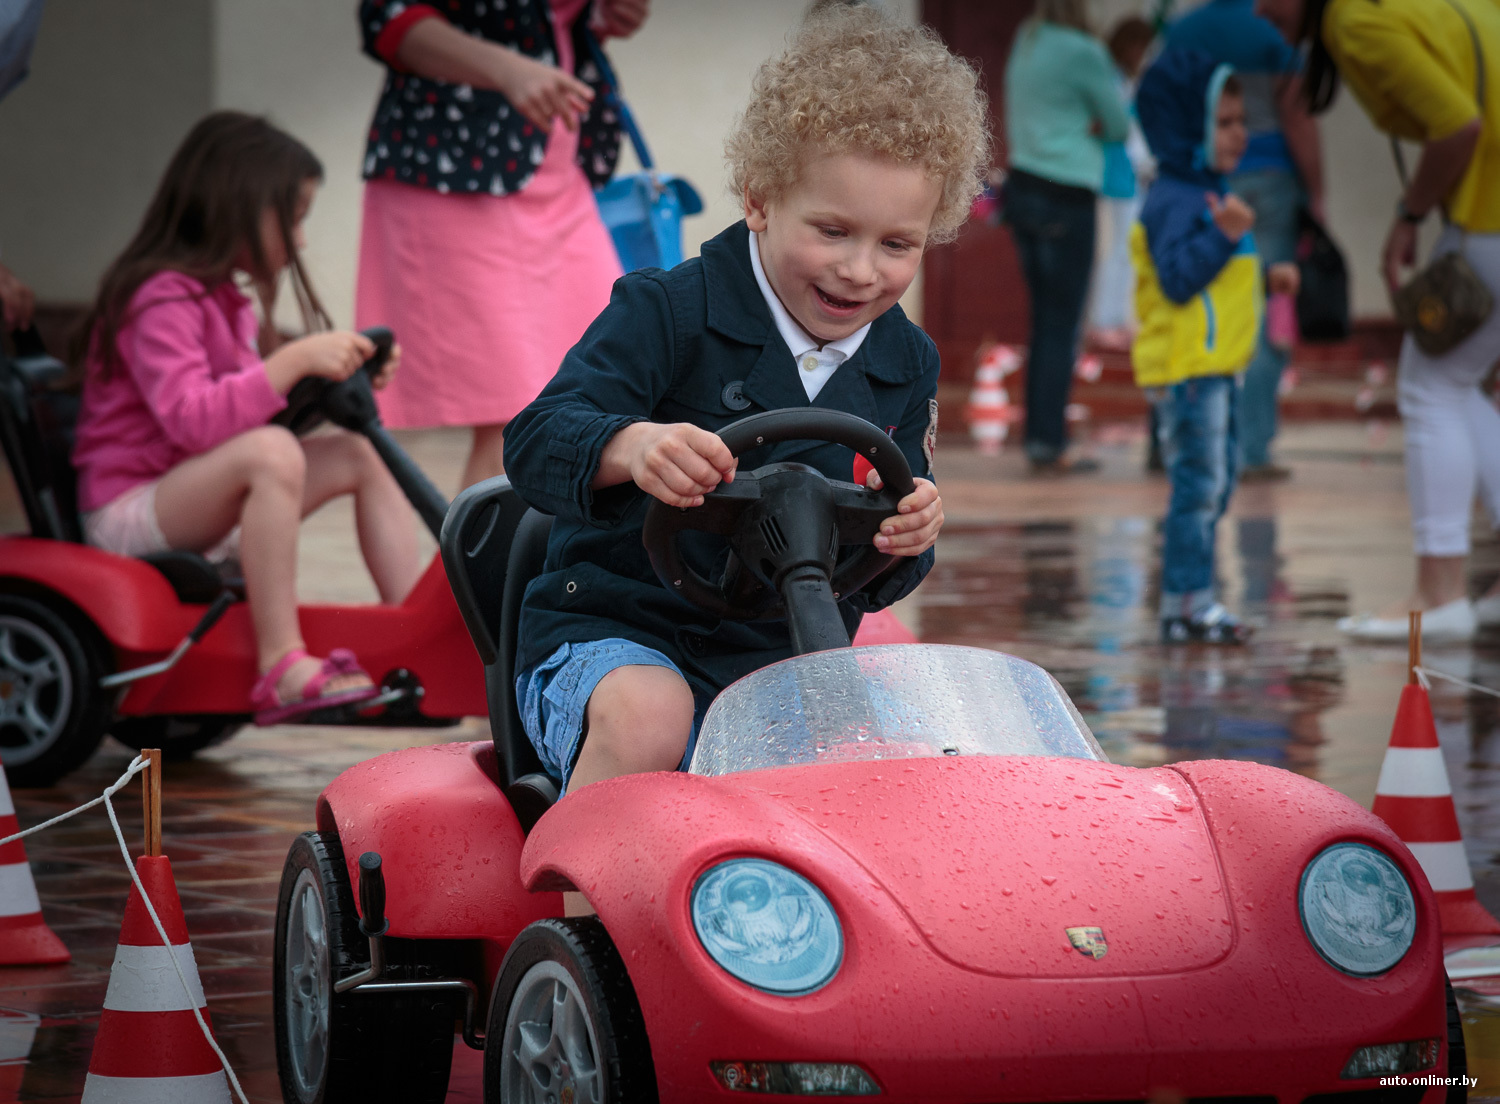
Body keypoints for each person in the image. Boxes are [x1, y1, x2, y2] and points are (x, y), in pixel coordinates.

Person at [503, 3, 987, 835]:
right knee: (653, 715)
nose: (860, 270)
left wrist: (910, 532)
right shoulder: (669, 311)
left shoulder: (905, 363)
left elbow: (881, 555)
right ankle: (584, 941)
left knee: (919, 747)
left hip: (778, 655)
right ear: (760, 200)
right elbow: (537, 437)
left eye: (897, 245)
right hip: (614, 633)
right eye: (832, 230)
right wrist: (633, 444)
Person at [70, 112, 423, 722]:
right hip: (131, 508)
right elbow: (195, 422)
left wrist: (335, 379)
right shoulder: (159, 296)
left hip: (191, 491)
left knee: (358, 453)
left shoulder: (221, 297)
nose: (302, 240)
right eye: (292, 217)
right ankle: (281, 664)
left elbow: (246, 410)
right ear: (234, 203)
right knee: (270, 454)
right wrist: (287, 363)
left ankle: (413, 626)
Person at [1255, 0, 1500, 642]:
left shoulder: (1355, 21)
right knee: (1461, 380)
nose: (1258, 8)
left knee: (1432, 385)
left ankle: (1440, 592)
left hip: (1492, 214)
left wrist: (1411, 215)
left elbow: (1458, 127)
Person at [355, 0, 647, 489]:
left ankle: (557, 561)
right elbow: (390, 16)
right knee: (515, 421)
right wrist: (507, 69)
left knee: (612, 378)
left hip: (560, 172)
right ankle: (475, 567)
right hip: (455, 170)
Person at [1131, 50, 1300, 643]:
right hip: (1189, 370)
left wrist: (1265, 274)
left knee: (1216, 484)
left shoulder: (1209, 192)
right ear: (1186, 127)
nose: (1240, 133)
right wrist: (1226, 234)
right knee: (1199, 490)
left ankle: (1192, 600)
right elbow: (1179, 278)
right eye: (1224, 122)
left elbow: (1219, 277)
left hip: (1216, 368)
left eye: (1240, 120)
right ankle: (1186, 607)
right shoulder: (1174, 199)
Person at [1168, 0, 1326, 482]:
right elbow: (1296, 116)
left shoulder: (1183, 30)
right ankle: (1252, 448)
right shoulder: (1272, 29)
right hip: (1269, 181)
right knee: (1264, 306)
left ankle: (1180, 442)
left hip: (1203, 181)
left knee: (1192, 302)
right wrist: (1317, 193)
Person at [1002, 0, 1130, 474]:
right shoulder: (1086, 50)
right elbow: (1117, 124)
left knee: (1044, 322)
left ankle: (1040, 436)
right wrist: (1089, 124)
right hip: (1068, 195)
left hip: (1024, 189)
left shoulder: (1027, 38)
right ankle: (1049, 443)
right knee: (1062, 325)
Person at [1088, 16, 1156, 352]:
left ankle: (1114, 319)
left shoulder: (1124, 79)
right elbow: (1121, 128)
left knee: (1126, 251)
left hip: (1130, 176)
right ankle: (1103, 322)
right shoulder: (1109, 77)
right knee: (1115, 250)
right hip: (1115, 174)